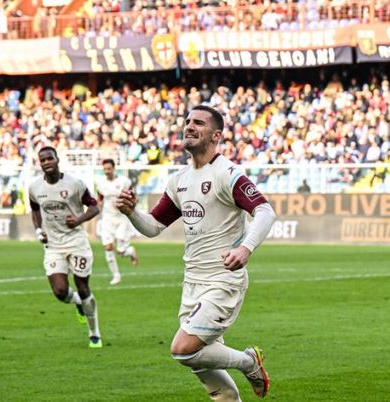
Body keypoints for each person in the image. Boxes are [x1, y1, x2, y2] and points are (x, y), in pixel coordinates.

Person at [115, 105, 276, 401]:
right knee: (217, 385)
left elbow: (265, 211)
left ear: (215, 135)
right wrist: (131, 213)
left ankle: (249, 362)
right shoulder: (179, 180)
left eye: (198, 123)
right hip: (192, 282)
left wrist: (245, 248)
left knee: (183, 349)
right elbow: (153, 227)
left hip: (222, 280)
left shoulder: (228, 174)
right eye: (187, 121)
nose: (189, 126)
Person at [28, 146, 103, 348]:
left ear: (57, 159)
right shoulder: (34, 188)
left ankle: (94, 332)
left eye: (49, 159)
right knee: (60, 292)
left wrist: (78, 220)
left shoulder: (75, 184)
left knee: (82, 286)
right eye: (42, 160)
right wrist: (38, 230)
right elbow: (35, 211)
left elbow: (95, 206)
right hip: (52, 245)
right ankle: (78, 302)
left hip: (77, 243)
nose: (46, 163)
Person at [95, 158, 139, 285]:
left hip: (121, 219)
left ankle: (130, 251)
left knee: (120, 251)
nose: (107, 171)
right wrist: (98, 205)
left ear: (114, 169)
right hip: (107, 219)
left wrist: (132, 203)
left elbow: (133, 196)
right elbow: (100, 198)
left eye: (109, 169)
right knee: (108, 247)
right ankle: (116, 276)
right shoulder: (101, 183)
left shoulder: (124, 182)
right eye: (105, 169)